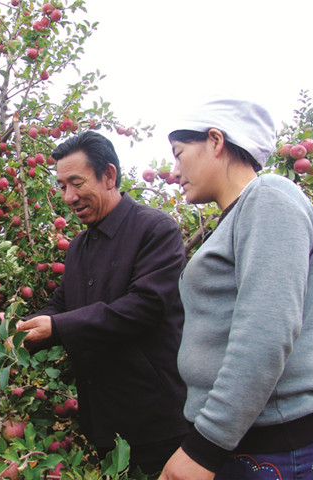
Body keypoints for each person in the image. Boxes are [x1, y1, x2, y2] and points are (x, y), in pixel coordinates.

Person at [158, 99, 313, 480]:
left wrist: (203, 449)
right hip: (242, 441)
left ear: (216, 141)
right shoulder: (236, 217)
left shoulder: (270, 197)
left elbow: (265, 334)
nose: (175, 171)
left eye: (179, 154)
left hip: (275, 445)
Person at [16, 130, 190, 474]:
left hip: (156, 422)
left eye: (76, 183)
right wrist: (21, 331)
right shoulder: (80, 245)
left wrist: (58, 326)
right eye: (62, 186)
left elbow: (144, 307)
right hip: (102, 423)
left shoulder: (155, 230)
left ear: (109, 175)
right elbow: (61, 304)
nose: (68, 196)